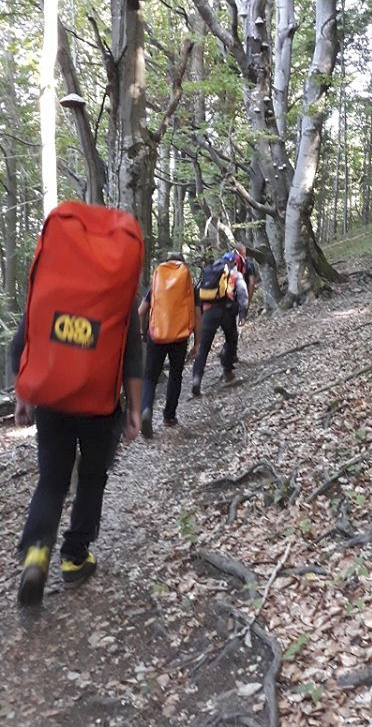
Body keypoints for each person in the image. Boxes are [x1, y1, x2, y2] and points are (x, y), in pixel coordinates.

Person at [12, 304, 142, 607]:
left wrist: (24, 395)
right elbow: (132, 358)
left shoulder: (53, 277)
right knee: (92, 478)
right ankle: (74, 557)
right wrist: (135, 408)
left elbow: (23, 342)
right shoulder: (119, 283)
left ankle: (37, 551)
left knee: (52, 480)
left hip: (52, 399)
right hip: (100, 404)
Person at [138, 253, 199, 438]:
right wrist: (197, 342)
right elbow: (197, 314)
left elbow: (141, 310)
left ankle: (146, 409)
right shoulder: (188, 285)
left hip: (156, 335)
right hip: (179, 337)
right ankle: (169, 416)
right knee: (175, 374)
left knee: (149, 377)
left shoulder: (157, 281)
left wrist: (144, 332)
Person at [192, 250, 249, 396]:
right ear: (233, 263)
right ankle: (227, 371)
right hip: (227, 312)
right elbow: (243, 295)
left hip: (209, 311)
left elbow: (198, 293)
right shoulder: (235, 275)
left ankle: (196, 380)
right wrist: (242, 314)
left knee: (203, 347)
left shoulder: (209, 272)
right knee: (231, 339)